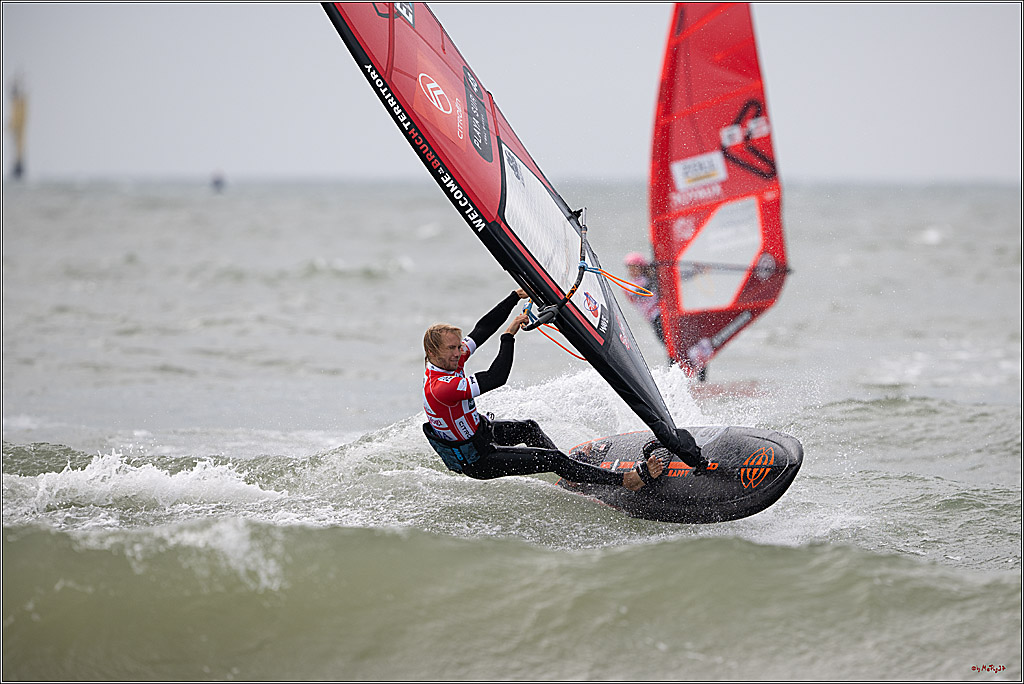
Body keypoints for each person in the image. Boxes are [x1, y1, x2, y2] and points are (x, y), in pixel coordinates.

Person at [421, 288, 666, 491]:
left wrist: (514, 297)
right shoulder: (439, 388)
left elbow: (482, 329)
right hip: (478, 459)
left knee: (529, 428)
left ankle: (571, 473)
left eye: (458, 347)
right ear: (432, 352)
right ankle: (627, 480)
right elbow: (496, 378)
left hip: (481, 432)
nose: (459, 353)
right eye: (451, 349)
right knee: (552, 459)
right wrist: (508, 336)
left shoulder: (448, 361)